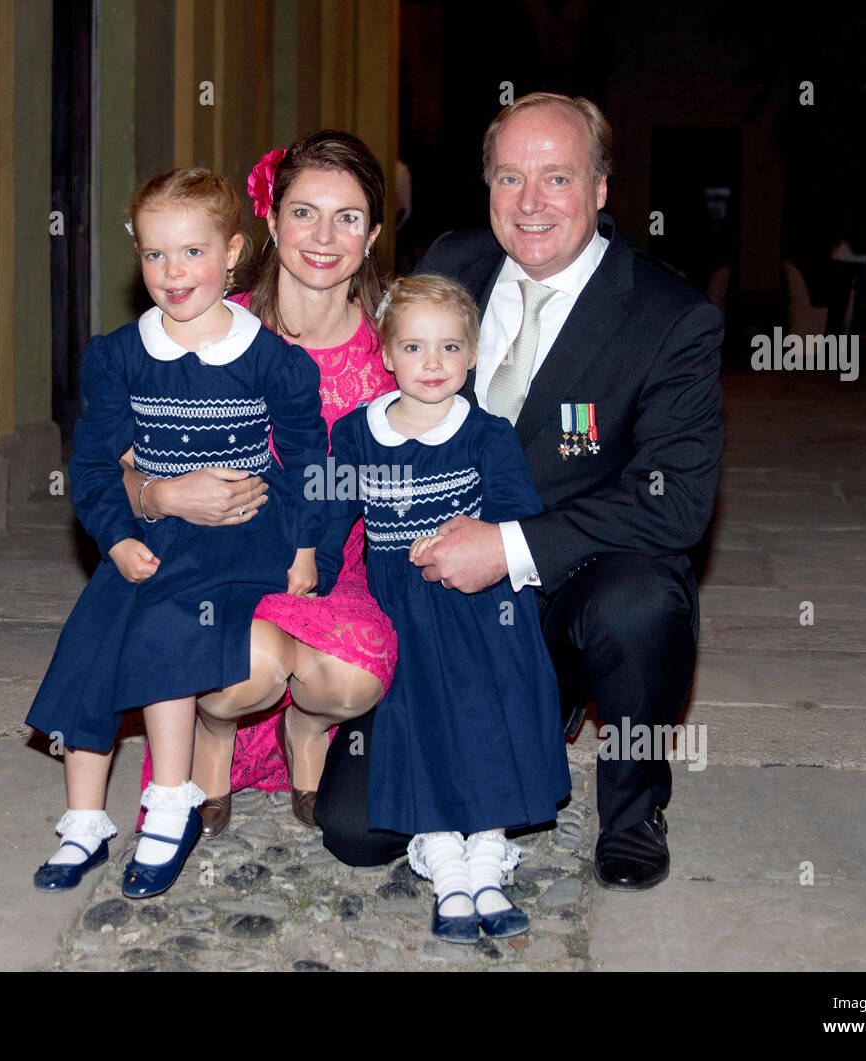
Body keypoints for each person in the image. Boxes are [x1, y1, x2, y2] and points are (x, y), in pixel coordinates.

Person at [316, 93, 724, 892]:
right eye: (510, 178)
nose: (531, 203)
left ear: (602, 187)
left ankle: (634, 808)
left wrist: (504, 546)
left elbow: (673, 499)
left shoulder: (670, 318)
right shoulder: (448, 263)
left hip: (566, 594)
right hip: (429, 607)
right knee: (359, 831)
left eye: (557, 177)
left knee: (644, 598)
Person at [26, 168, 328, 898]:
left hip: (239, 532)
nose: (172, 273)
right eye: (155, 255)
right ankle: (85, 817)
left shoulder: (271, 359)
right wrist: (117, 534)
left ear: (232, 253)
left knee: (163, 623)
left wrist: (303, 543)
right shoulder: (120, 356)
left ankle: (172, 799)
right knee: (91, 636)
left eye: (192, 253)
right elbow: (95, 465)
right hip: (156, 530)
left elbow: (309, 458)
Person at [125, 132, 397, 839]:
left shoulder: (396, 352)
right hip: (216, 567)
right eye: (304, 212)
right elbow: (116, 465)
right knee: (247, 666)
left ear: (372, 234)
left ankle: (306, 733)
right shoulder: (207, 320)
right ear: (271, 224)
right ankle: (215, 735)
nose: (324, 236)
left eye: (348, 216)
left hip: (333, 574)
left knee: (352, 675)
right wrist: (162, 494)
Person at [314, 275, 569, 941]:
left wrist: (471, 531)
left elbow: (517, 514)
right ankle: (442, 855)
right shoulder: (355, 435)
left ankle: (487, 846)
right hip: (401, 606)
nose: (433, 364)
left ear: (474, 354)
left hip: (479, 604)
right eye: (416, 347)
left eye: (450, 347)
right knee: (413, 705)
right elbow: (330, 516)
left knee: (490, 698)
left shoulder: (486, 434)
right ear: (387, 354)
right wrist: (305, 572)